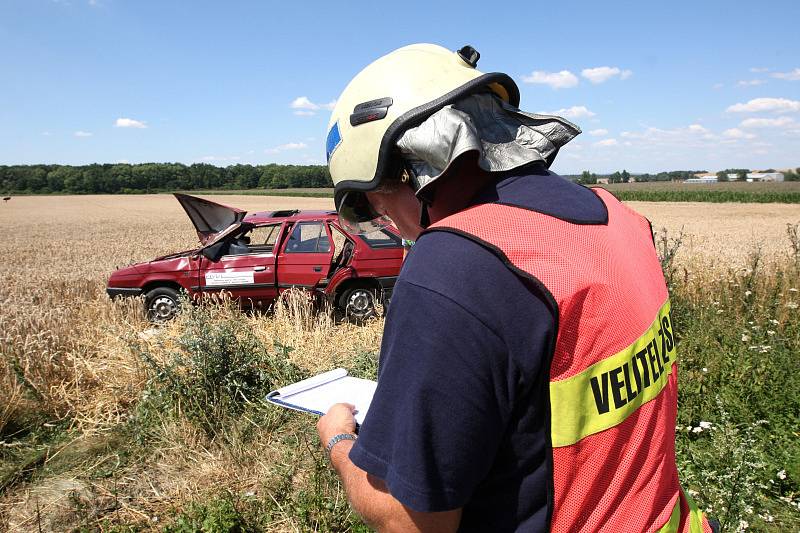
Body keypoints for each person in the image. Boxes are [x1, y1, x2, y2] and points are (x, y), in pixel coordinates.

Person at [317, 43, 715, 533]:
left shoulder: (455, 268)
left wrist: (339, 443)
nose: (387, 221)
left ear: (407, 169)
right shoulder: (616, 216)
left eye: (372, 201)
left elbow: (411, 520)